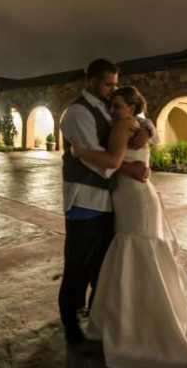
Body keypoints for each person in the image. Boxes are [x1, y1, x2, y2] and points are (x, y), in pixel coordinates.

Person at [72, 86, 187, 368]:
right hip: (140, 194)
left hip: (133, 198)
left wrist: (80, 152)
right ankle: (146, 319)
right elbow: (131, 156)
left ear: (130, 107)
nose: (113, 111)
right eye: (111, 106)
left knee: (136, 253)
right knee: (141, 253)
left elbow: (112, 162)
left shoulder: (125, 125)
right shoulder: (138, 124)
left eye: (117, 105)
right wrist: (138, 150)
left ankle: (137, 327)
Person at [58, 59, 153, 346]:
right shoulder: (77, 112)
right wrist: (130, 168)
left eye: (114, 84)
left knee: (102, 266)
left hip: (110, 201)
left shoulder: (106, 106)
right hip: (85, 199)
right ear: (90, 80)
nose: (112, 91)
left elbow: (138, 116)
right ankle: (70, 323)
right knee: (77, 266)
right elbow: (100, 159)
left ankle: (96, 317)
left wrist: (147, 130)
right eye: (107, 84)